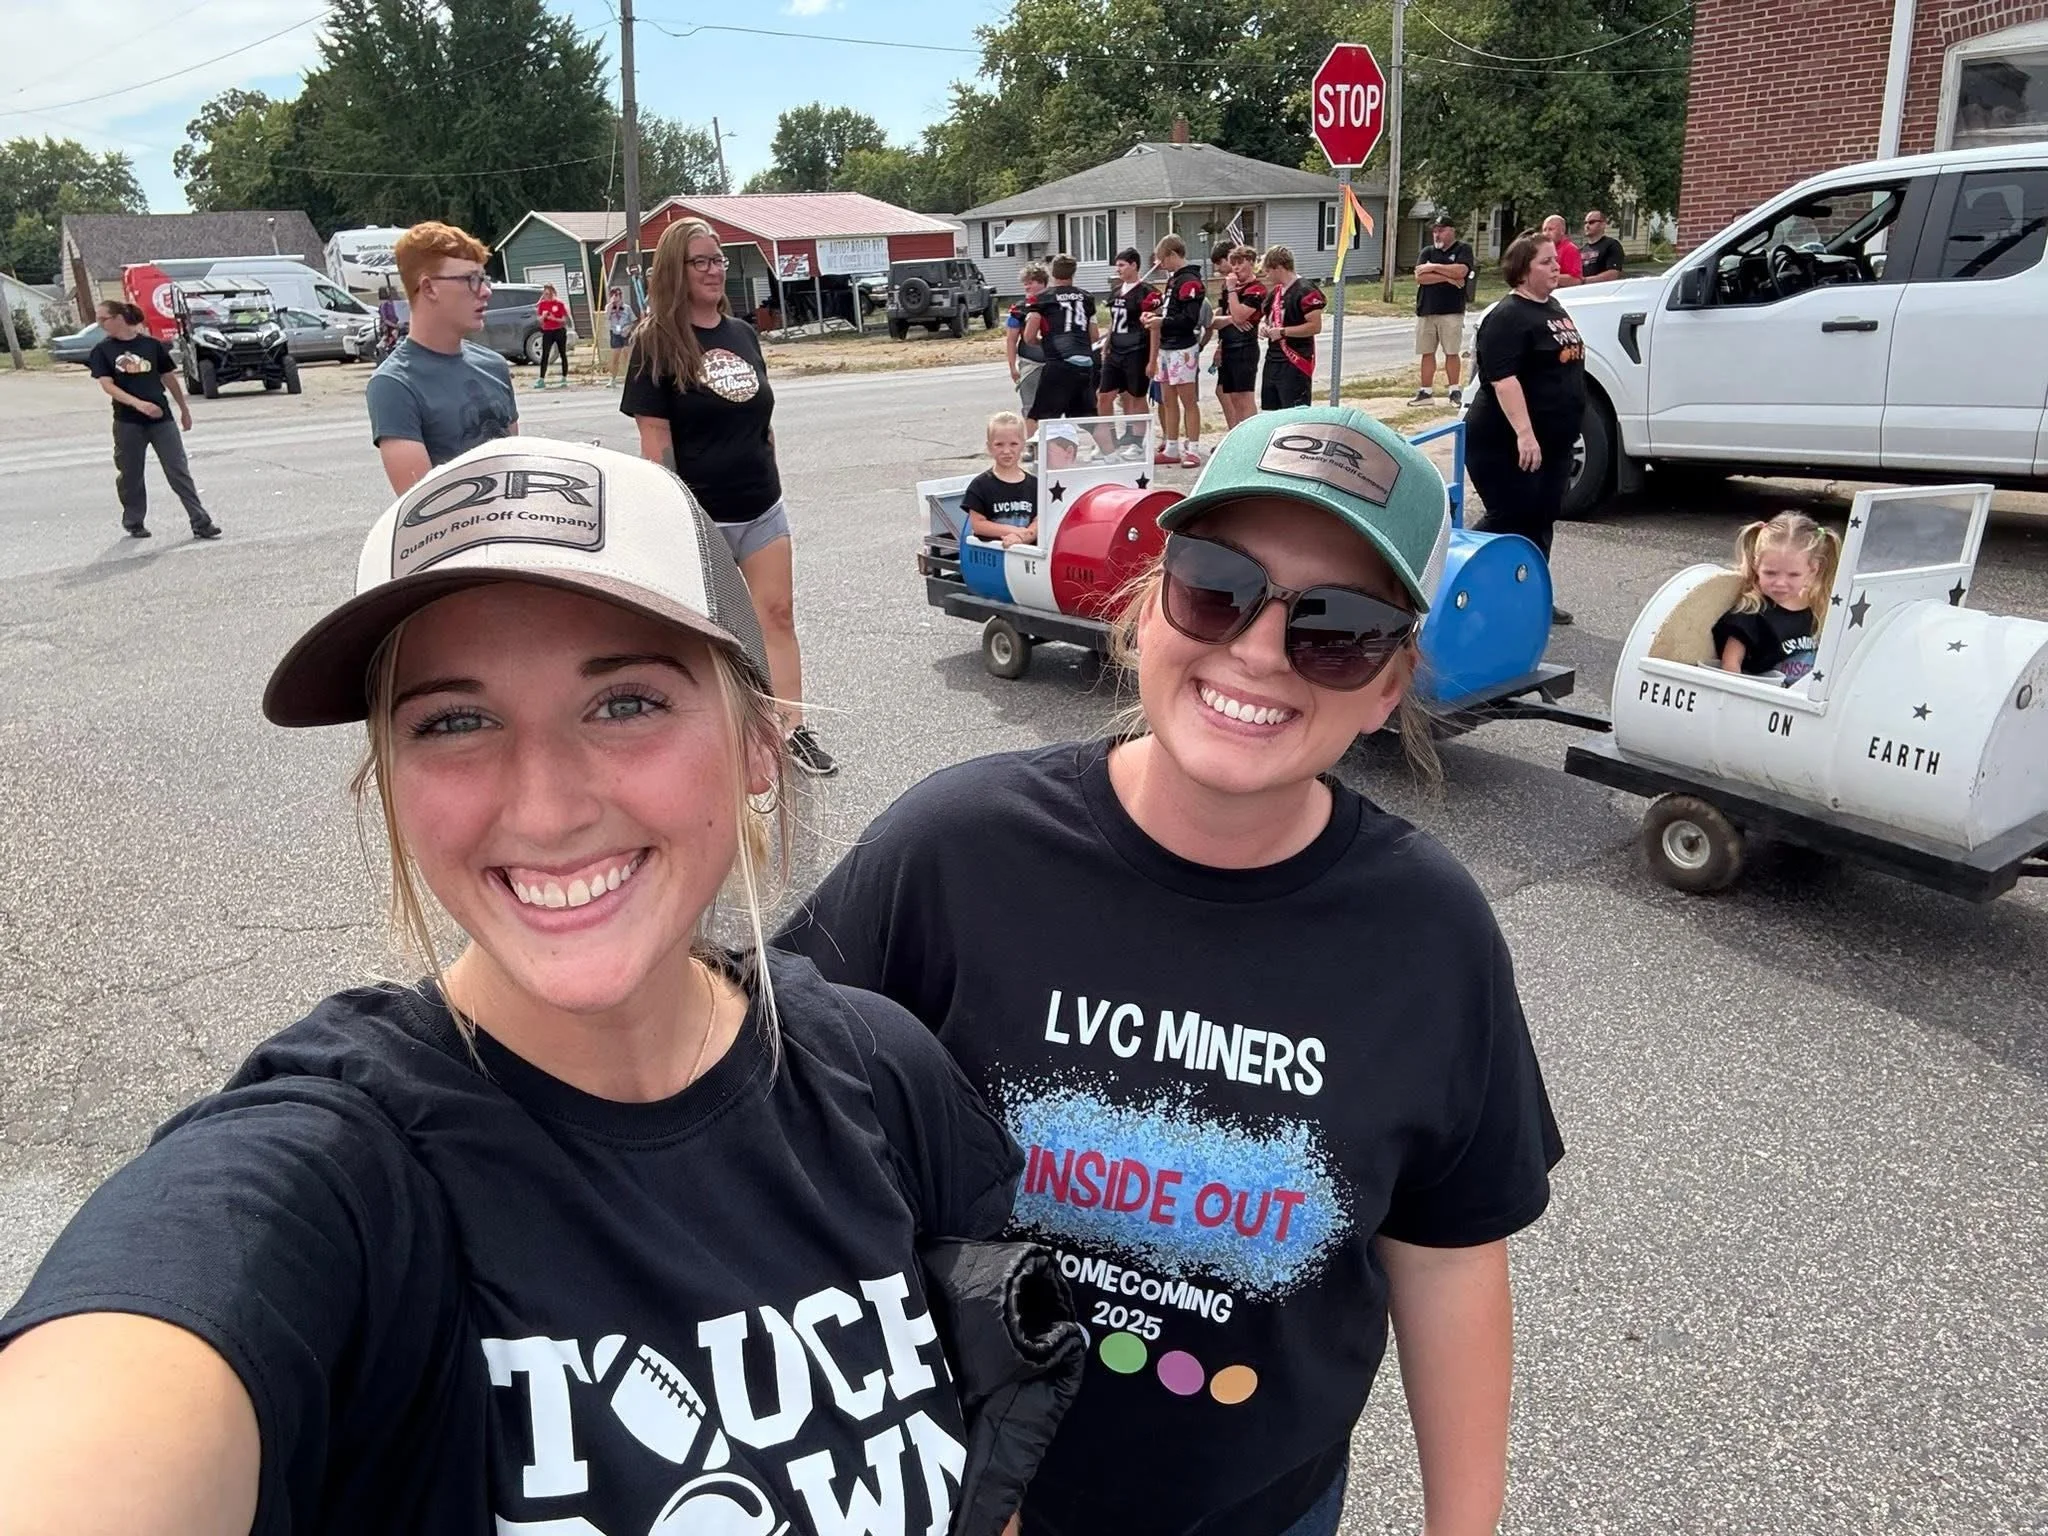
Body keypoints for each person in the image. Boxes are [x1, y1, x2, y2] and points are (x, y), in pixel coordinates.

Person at [0, 439, 1071, 1535]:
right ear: (389, 777)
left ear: (759, 740)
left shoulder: (877, 1074)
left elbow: (991, 1433)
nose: (545, 807)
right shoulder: (331, 1176)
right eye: (453, 722)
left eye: (625, 704)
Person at [780, 404, 1564, 1536]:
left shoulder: (1427, 931)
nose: (1255, 648)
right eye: (1214, 583)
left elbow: (1446, 1260)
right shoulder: (955, 849)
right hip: (956, 1501)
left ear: (1387, 688)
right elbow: (774, 1124)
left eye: (1334, 628)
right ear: (1148, 604)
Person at [622, 216, 836, 778]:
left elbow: (762, 422)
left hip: (762, 503)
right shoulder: (655, 343)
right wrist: (670, 519)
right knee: (712, 637)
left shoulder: (741, 333)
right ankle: (716, 737)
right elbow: (655, 445)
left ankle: (792, 728)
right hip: (700, 516)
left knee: (778, 616)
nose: (715, 270)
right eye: (702, 261)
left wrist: (771, 472)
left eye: (718, 260)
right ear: (675, 269)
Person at [1464, 231, 1586, 627]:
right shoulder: (1507, 316)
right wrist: (1525, 433)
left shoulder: (1552, 307)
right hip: (1504, 442)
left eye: (1556, 260)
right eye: (1546, 262)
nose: (1556, 267)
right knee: (1509, 515)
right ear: (1522, 270)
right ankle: (1455, 583)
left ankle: (1532, 597)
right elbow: (1504, 380)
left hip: (1555, 442)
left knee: (1541, 518)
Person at [366, 221, 518, 495]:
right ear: (428, 288)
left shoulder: (494, 366)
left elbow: (518, 470)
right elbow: (421, 505)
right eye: (470, 279)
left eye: (484, 278)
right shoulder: (394, 384)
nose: (486, 291)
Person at [88, 300, 221, 541]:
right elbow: (108, 386)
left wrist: (183, 409)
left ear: (120, 317)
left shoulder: (151, 345)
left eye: (103, 319)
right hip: (128, 421)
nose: (100, 324)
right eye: (98, 319)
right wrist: (138, 404)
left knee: (178, 469)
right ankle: (134, 520)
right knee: (130, 473)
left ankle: (200, 521)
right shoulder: (102, 350)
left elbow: (168, 378)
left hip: (161, 420)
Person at [1713, 512, 1841, 681]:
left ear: (1813, 570)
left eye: (1793, 575)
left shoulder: (1820, 608)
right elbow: (1730, 665)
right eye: (1770, 573)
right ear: (1756, 565)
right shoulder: (1751, 613)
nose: (1780, 583)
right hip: (1764, 698)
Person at [1143, 234, 1208, 466]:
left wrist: (1163, 323)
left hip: (1183, 347)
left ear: (1172, 255)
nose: (1161, 265)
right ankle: (1171, 447)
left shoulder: (1190, 280)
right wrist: (1156, 315)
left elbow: (1188, 319)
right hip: (1166, 347)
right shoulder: (1173, 281)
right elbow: (1170, 311)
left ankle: (1193, 448)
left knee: (1188, 400)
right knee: (1168, 399)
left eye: (1162, 259)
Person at [1022, 254, 1099, 423]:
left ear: (1052, 273)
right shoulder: (1087, 298)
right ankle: (1109, 450)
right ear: (1073, 273)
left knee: (1038, 418)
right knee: (1089, 419)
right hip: (1085, 361)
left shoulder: (1042, 299)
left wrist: (1044, 343)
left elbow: (1029, 337)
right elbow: (1094, 336)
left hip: (1059, 362)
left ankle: (1035, 449)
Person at [1097, 248, 1157, 451]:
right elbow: (1114, 321)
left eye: (1122, 265)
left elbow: (1154, 326)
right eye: (1117, 265)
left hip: (1137, 349)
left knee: (1136, 396)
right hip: (1116, 349)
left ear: (1134, 265)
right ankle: (1109, 438)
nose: (1118, 269)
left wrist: (1152, 358)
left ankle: (1137, 440)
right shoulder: (1115, 291)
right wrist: (1106, 343)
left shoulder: (1147, 292)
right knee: (1104, 395)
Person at [1411, 217, 1474, 406]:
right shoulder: (1427, 251)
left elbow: (1461, 271)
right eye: (1435, 231)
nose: (1437, 234)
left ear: (1451, 231)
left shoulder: (1462, 249)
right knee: (1426, 351)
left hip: (1451, 310)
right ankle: (1426, 392)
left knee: (1451, 351)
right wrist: (1447, 278)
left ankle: (1454, 390)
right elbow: (1420, 277)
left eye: (1441, 230)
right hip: (1427, 309)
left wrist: (1434, 267)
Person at [1258, 245, 1326, 412]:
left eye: (1268, 271)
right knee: (1272, 411)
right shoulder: (1275, 293)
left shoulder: (1305, 290)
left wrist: (1283, 332)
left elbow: (1315, 326)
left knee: (1294, 411)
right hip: (1273, 358)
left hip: (1295, 358)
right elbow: (1267, 318)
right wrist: (1264, 327)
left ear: (1279, 268)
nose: (1267, 276)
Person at [963, 410, 1039, 547]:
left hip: (1028, 554)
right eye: (999, 444)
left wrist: (1024, 537)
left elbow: (1040, 520)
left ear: (1023, 445)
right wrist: (1014, 531)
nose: (1006, 451)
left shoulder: (1035, 485)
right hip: (993, 554)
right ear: (989, 447)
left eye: (1013, 444)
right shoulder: (980, 485)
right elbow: (978, 524)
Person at [1211, 243, 1265, 430]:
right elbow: (1215, 320)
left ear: (1250, 262)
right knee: (1231, 397)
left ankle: (1251, 436)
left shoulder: (1255, 289)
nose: (1236, 268)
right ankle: (1237, 434)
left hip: (1245, 347)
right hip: (1228, 345)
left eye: (1240, 263)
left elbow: (1241, 315)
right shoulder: (1229, 289)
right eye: (1233, 263)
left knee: (1244, 398)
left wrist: (1232, 290)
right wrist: (1230, 321)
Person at [1006, 264, 1050, 418]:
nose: (1027, 286)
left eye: (1030, 282)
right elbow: (1011, 340)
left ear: (1042, 282)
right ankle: (1033, 440)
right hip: (1030, 363)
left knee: (1055, 406)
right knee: (1030, 407)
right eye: (1025, 282)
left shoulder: (1055, 304)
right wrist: (1012, 367)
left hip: (1055, 363)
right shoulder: (1019, 309)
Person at [534, 281, 570, 389]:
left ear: (553, 293)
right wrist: (543, 317)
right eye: (545, 294)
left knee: (562, 353)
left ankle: (564, 378)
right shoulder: (542, 305)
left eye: (549, 293)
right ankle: (541, 378)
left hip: (559, 330)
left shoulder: (559, 304)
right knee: (545, 354)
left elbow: (564, 320)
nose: (547, 296)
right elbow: (539, 320)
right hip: (548, 331)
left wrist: (554, 318)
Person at [1581, 210, 1626, 283]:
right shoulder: (1582, 250)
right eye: (1585, 223)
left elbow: (1613, 274)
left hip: (1603, 291)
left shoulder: (1612, 245)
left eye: (1591, 222)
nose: (1587, 226)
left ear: (1603, 224)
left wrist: (1585, 281)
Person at [1542, 214, 1584, 287]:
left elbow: (1576, 279)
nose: (1546, 234)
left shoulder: (1570, 249)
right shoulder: (1542, 250)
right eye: (1544, 230)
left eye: (1551, 229)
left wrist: (1544, 278)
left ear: (1562, 231)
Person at [605, 285, 633, 381]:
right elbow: (607, 317)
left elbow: (633, 321)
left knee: (627, 356)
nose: (615, 296)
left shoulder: (627, 308)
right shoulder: (609, 307)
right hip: (615, 333)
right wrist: (612, 304)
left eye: (617, 294)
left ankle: (629, 377)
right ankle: (612, 379)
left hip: (625, 333)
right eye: (613, 295)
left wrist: (628, 328)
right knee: (614, 358)